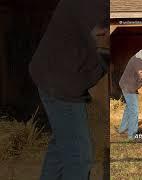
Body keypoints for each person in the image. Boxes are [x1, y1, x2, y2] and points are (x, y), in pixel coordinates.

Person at [28, 0, 107, 179]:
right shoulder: (91, 7)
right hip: (60, 81)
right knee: (79, 156)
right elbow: (103, 39)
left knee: (62, 143)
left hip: (55, 74)